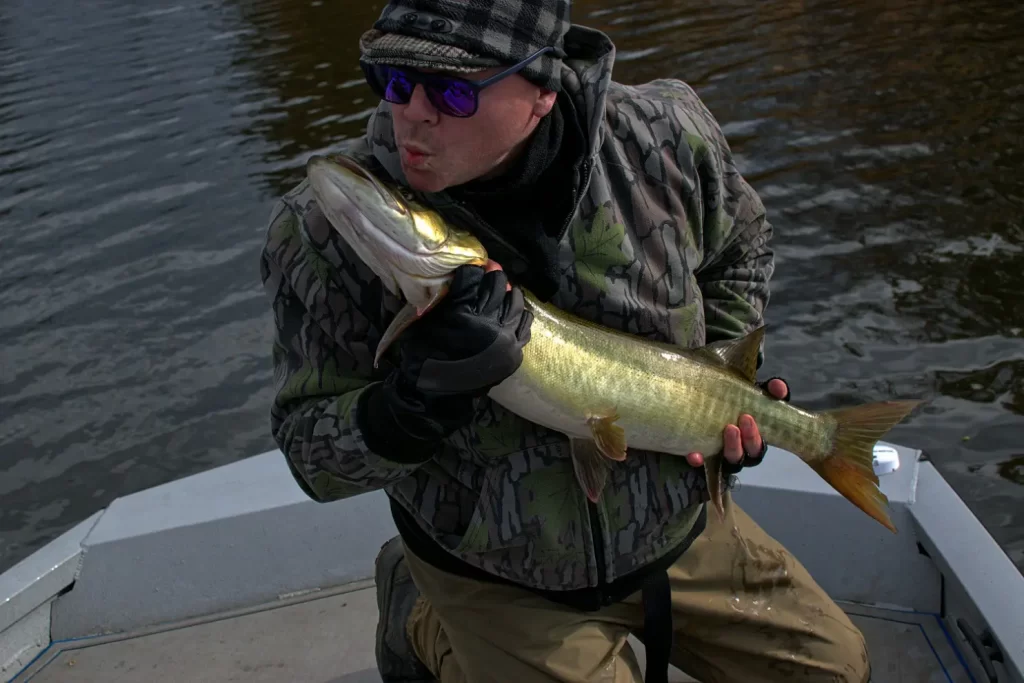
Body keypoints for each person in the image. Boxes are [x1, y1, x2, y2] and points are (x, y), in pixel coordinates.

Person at [258, 0, 871, 681]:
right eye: (393, 81)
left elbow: (744, 246)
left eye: (453, 91)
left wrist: (717, 378)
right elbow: (312, 455)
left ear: (544, 89)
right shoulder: (323, 235)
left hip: (674, 530)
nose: (413, 115)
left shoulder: (665, 137)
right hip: (493, 568)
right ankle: (423, 615)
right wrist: (406, 408)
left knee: (838, 670)